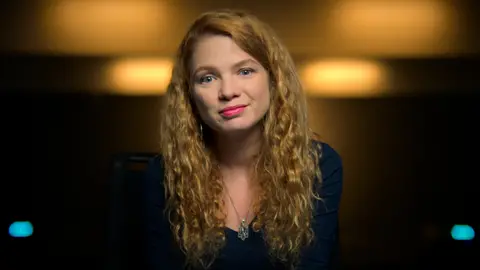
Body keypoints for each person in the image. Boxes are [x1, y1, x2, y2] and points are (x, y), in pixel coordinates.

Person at [143, 9, 343, 270]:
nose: (228, 91)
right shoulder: (163, 175)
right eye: (208, 78)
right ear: (189, 95)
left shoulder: (318, 165)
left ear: (274, 80)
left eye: (245, 71)